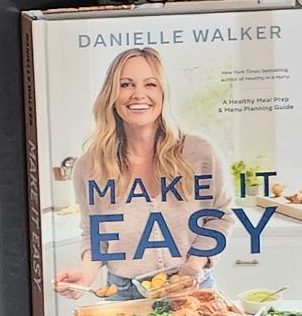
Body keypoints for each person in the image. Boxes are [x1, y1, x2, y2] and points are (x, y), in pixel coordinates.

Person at [54, 46, 222, 299]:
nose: (138, 94)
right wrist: (86, 273)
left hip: (192, 287)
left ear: (164, 93)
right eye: (126, 84)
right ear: (111, 94)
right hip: (123, 293)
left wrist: (194, 265)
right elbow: (94, 232)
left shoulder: (199, 152)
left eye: (150, 84)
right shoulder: (89, 166)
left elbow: (220, 217)